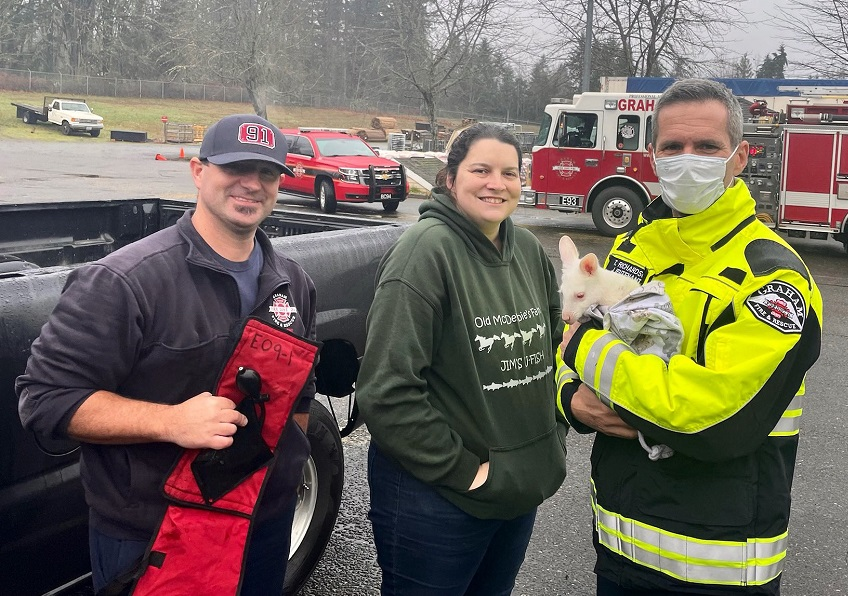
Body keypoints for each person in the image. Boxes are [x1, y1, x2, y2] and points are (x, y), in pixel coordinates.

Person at [16, 114, 317, 595]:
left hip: (264, 522)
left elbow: (300, 392)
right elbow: (46, 399)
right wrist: (170, 421)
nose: (252, 184)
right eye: (235, 167)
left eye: (267, 172)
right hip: (158, 532)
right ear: (198, 171)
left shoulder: (293, 282)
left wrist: (287, 467)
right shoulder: (123, 282)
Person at [556, 78, 823, 595]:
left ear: (739, 158)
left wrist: (585, 350)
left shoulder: (773, 277)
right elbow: (567, 342)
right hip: (619, 549)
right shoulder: (632, 248)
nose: (687, 159)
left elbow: (715, 418)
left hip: (716, 569)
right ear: (653, 157)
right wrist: (570, 399)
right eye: (673, 146)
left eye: (707, 147)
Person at [356, 123, 568, 595]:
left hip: (518, 491)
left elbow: (554, 352)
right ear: (450, 179)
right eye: (481, 170)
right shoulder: (423, 254)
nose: (497, 184)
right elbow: (386, 391)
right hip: (439, 500)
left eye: (510, 173)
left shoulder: (528, 250)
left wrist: (550, 440)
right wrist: (467, 472)